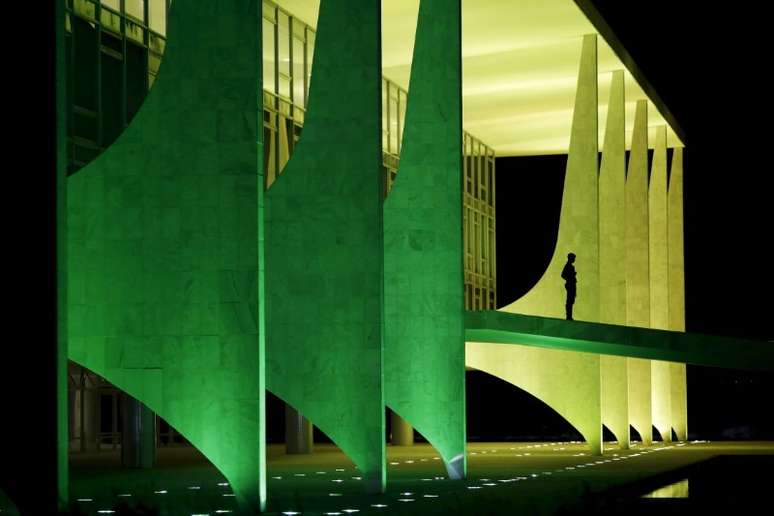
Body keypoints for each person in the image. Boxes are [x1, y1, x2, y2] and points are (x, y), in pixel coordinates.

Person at [561, 252, 577, 320]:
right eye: (573, 258)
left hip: (572, 284)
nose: (574, 259)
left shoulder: (570, 266)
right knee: (569, 301)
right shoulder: (568, 266)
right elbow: (563, 275)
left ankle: (569, 316)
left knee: (571, 300)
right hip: (570, 284)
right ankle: (568, 316)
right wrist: (570, 276)